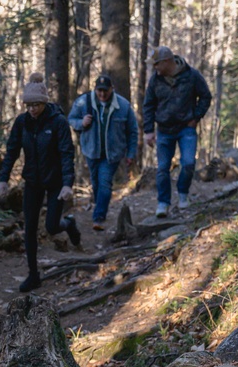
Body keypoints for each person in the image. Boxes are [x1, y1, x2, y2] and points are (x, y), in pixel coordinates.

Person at [0, 72, 79, 293]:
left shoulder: (58, 122)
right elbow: (12, 150)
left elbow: (66, 153)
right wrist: (3, 179)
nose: (32, 109)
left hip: (55, 182)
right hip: (32, 181)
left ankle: (68, 224)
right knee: (30, 228)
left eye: (36, 104)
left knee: (52, 226)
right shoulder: (22, 122)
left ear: (44, 102)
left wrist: (67, 184)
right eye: (29, 105)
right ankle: (33, 275)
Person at [142, 46, 212, 218]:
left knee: (188, 163)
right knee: (163, 168)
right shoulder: (155, 80)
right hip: (164, 130)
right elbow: (148, 105)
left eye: (157, 64)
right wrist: (149, 130)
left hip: (186, 128)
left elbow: (205, 96)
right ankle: (163, 203)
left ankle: (183, 195)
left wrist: (196, 117)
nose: (155, 68)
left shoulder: (191, 75)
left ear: (167, 62)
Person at [67, 75, 139, 231]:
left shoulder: (123, 105)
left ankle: (99, 217)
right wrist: (81, 123)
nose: (102, 94)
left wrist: (131, 153)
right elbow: (71, 119)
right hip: (91, 151)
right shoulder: (83, 102)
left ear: (111, 89)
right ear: (95, 90)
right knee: (97, 183)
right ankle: (100, 206)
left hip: (112, 154)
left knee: (105, 183)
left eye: (105, 90)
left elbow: (132, 131)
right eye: (99, 91)